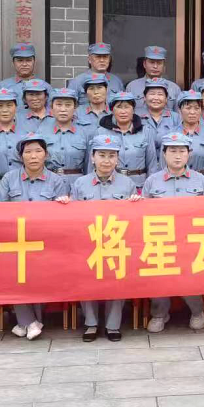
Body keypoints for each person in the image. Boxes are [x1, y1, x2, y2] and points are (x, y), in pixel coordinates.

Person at [0, 133, 71, 340]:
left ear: (46, 154)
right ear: (21, 156)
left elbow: (61, 216)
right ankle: (29, 321)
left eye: (38, 151)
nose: (33, 156)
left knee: (38, 278)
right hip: (15, 240)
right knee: (15, 278)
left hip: (44, 240)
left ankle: (26, 323)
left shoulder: (57, 180)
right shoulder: (9, 178)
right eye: (28, 152)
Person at [72, 133, 141, 342]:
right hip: (88, 242)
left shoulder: (127, 183)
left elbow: (135, 218)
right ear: (92, 157)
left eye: (112, 156)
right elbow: (71, 216)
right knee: (86, 281)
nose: (106, 160)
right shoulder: (80, 183)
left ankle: (113, 325)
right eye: (101, 155)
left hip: (116, 241)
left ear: (117, 159)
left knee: (117, 281)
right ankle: (91, 324)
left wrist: (137, 203)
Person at [142, 132, 204, 332]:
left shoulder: (200, 180)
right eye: (172, 151)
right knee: (158, 276)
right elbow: (142, 214)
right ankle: (159, 314)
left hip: (191, 242)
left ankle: (197, 311)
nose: (178, 156)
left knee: (190, 277)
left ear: (189, 154)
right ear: (164, 154)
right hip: (160, 241)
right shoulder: (152, 181)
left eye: (182, 151)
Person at [97, 92, 157, 192]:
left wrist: (150, 188)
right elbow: (94, 164)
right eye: (119, 107)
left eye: (127, 107)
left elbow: (152, 164)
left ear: (133, 109)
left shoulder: (146, 131)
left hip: (139, 186)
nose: (123, 111)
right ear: (112, 110)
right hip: (110, 186)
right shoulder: (101, 132)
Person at [161, 90, 204, 183]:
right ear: (180, 110)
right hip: (177, 183)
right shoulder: (170, 135)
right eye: (188, 108)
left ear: (202, 110)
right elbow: (163, 165)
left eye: (197, 108)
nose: (192, 112)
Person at [40, 88, 92, 185]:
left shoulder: (85, 131)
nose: (63, 109)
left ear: (75, 108)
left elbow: (89, 163)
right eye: (59, 104)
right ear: (51, 107)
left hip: (77, 183)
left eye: (68, 105)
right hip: (49, 182)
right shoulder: (42, 130)